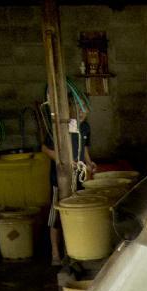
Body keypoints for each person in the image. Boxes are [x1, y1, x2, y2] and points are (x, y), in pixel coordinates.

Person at [42, 99, 96, 265]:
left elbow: (84, 147)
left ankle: (72, 251)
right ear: (70, 108)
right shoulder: (59, 128)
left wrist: (88, 162)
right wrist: (63, 160)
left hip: (78, 178)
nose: (81, 112)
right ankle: (55, 254)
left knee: (76, 214)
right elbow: (44, 149)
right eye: (78, 108)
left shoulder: (85, 127)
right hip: (60, 179)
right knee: (57, 216)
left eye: (84, 109)